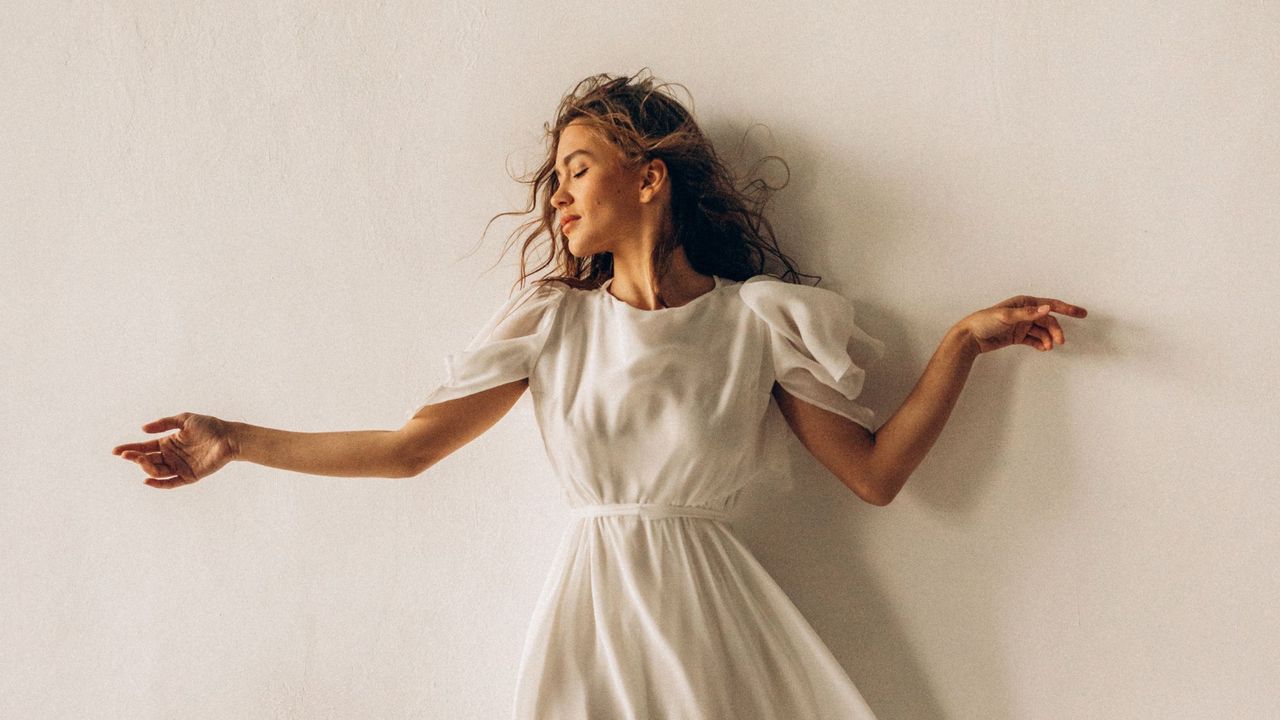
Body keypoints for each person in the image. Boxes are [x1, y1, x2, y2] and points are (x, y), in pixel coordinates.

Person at [112, 69, 1087, 718]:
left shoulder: (756, 320)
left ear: (647, 176)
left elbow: (874, 476)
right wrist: (233, 440)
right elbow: (409, 448)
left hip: (714, 615)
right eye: (554, 179)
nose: (557, 195)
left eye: (576, 167)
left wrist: (959, 342)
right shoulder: (552, 321)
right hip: (594, 608)